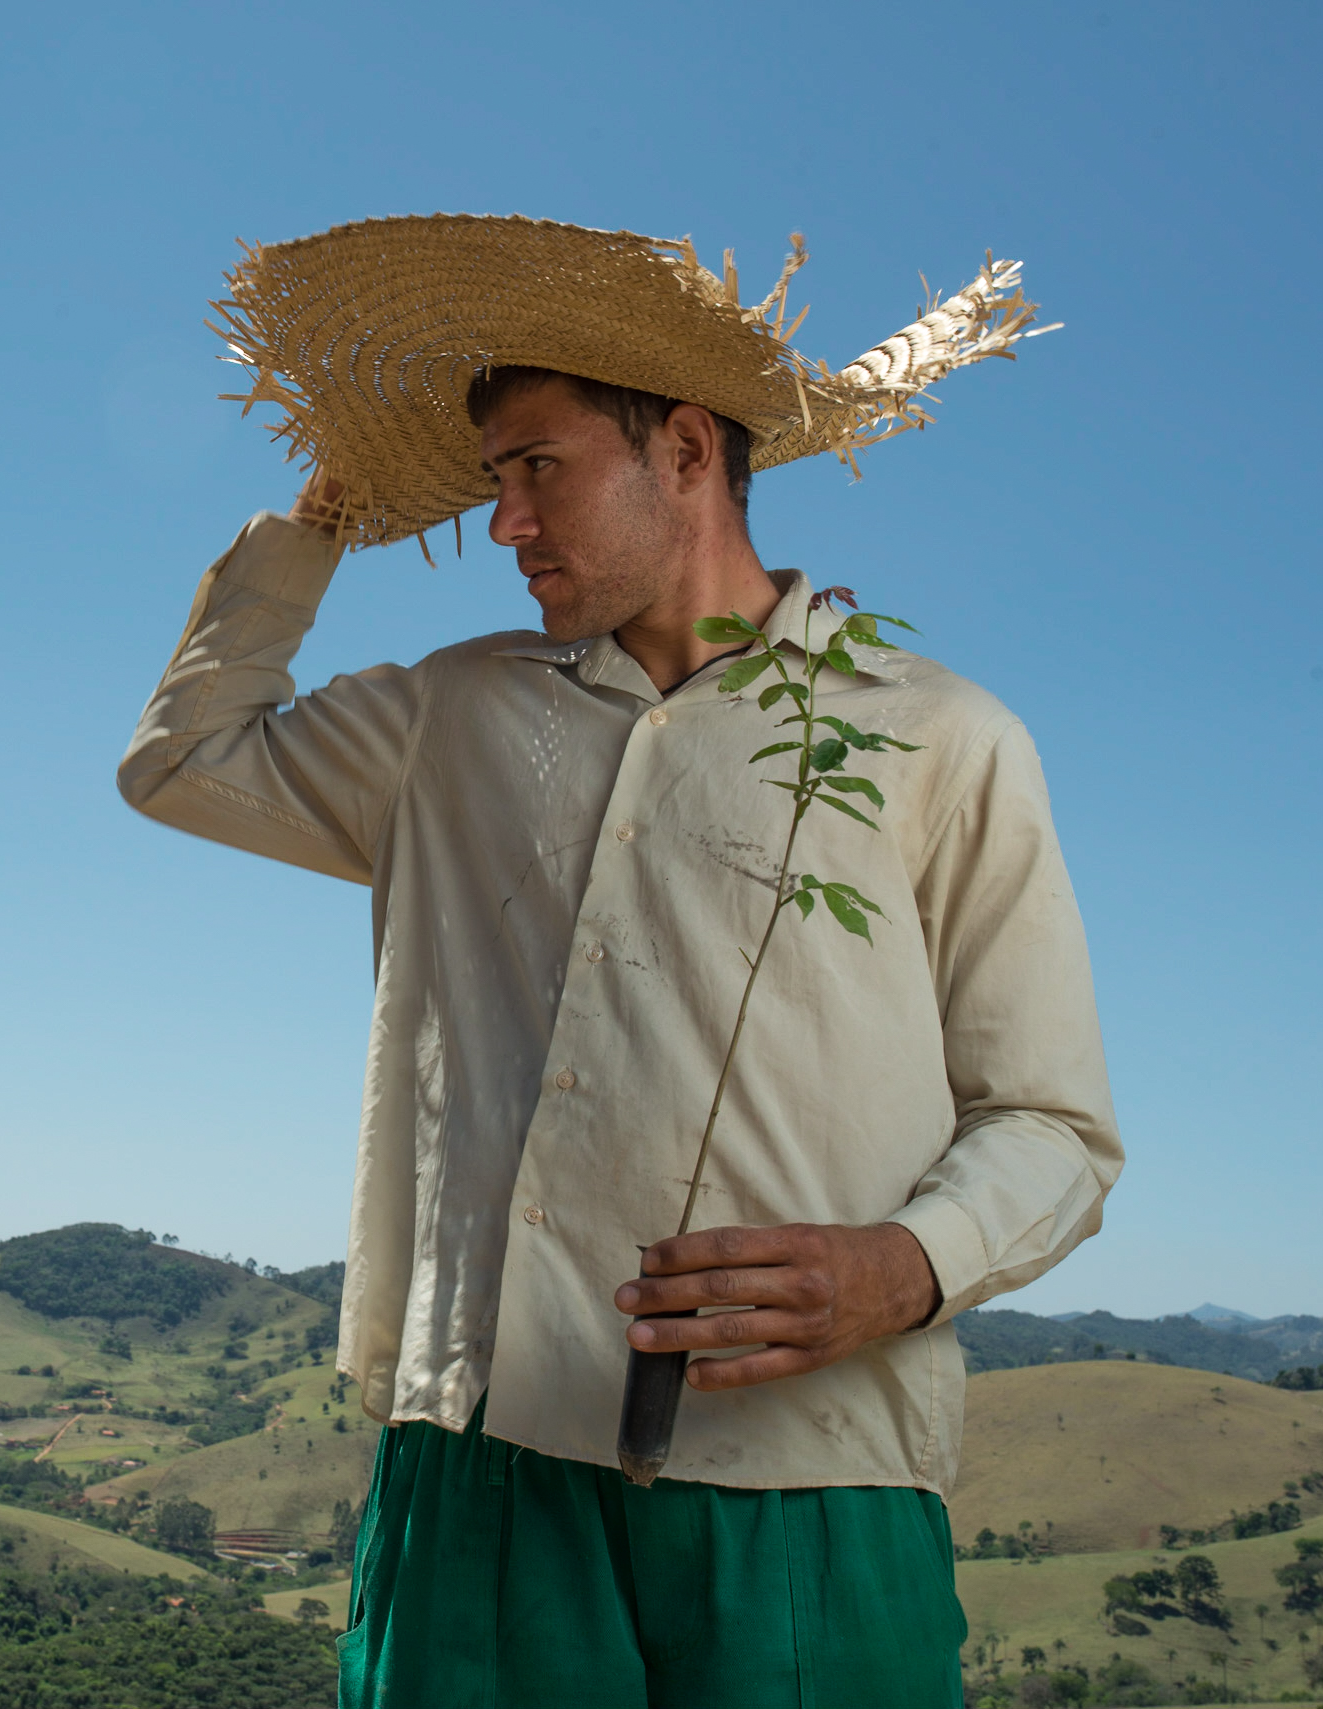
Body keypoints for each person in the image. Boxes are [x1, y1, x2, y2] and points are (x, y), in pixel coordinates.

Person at [116, 216, 1121, 1708]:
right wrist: (326, 511)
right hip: (477, 1468)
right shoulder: (447, 715)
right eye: (488, 478)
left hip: (809, 1482)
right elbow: (182, 761)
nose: (502, 521)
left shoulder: (940, 739)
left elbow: (1055, 1125)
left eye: (538, 468)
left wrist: (906, 1269)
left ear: (689, 451)